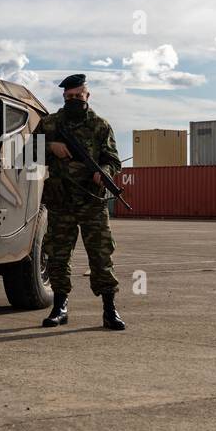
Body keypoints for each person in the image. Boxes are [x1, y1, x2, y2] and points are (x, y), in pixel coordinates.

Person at [38, 74, 125, 330]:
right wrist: (50, 146)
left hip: (92, 202)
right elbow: (24, 152)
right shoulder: (49, 124)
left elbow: (113, 160)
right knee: (57, 256)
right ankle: (59, 307)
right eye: (70, 96)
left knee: (101, 256)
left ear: (87, 96)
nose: (74, 100)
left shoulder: (100, 126)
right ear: (64, 97)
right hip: (60, 201)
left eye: (79, 96)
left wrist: (104, 172)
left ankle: (110, 310)